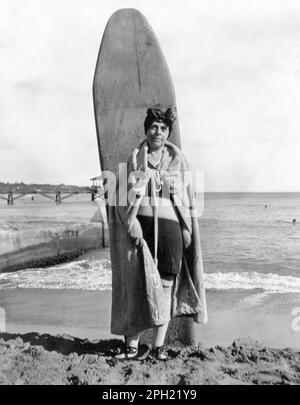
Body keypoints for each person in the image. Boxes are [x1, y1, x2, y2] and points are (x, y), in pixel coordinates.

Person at [108, 107, 207, 361]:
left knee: (165, 288)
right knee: (136, 285)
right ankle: (131, 346)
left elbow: (187, 200)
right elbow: (119, 198)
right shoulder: (132, 160)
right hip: (141, 231)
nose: (158, 132)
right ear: (146, 129)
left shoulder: (178, 161)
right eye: (153, 127)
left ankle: (158, 347)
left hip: (170, 232)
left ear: (168, 133)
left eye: (163, 129)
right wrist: (131, 223)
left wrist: (186, 228)